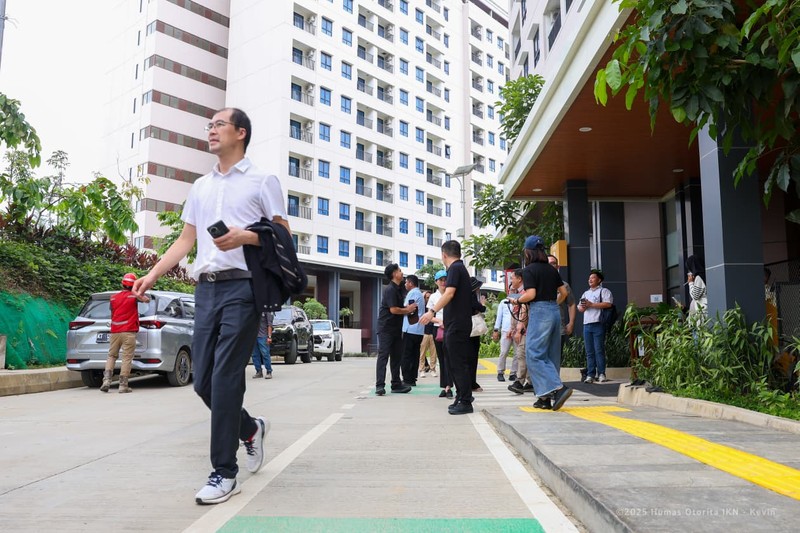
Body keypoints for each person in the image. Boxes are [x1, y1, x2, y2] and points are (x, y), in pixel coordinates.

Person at [133, 107, 285, 505]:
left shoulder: (262, 180)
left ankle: (224, 472)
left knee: (226, 377)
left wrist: (246, 237)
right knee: (202, 381)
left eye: (219, 124)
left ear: (241, 132)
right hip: (207, 290)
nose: (211, 130)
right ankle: (249, 428)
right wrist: (152, 275)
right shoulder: (200, 186)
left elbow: (283, 235)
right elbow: (186, 241)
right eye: (210, 125)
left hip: (244, 288)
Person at [517, 236, 572, 411]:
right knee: (550, 355)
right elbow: (563, 292)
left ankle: (558, 388)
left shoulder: (529, 270)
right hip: (554, 311)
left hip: (540, 311)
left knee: (534, 353)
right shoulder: (551, 269)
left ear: (528, 252)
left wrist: (517, 300)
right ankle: (544, 398)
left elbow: (531, 294)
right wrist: (553, 304)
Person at [421, 241, 474, 415]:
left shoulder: (455, 269)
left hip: (458, 325)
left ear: (444, 255)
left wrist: (432, 311)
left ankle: (465, 400)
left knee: (458, 363)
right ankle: (461, 396)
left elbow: (449, 293)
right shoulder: (459, 268)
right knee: (453, 361)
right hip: (456, 324)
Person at [101, 273, 150, 394]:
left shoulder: (113, 298)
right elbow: (146, 300)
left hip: (115, 331)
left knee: (111, 356)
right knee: (126, 357)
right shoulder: (134, 297)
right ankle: (123, 385)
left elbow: (112, 312)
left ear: (122, 284)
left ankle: (106, 381)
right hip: (128, 332)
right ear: (133, 285)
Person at [375, 263, 417, 396]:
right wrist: (408, 310)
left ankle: (396, 384)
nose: (402, 272)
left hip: (396, 328)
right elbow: (393, 310)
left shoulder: (399, 289)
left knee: (396, 357)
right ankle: (379, 386)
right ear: (394, 274)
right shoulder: (390, 290)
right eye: (399, 270)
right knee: (384, 356)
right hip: (386, 328)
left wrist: (409, 311)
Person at [577, 269, 614, 384]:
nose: (590, 279)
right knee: (589, 351)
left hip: (599, 323)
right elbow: (580, 308)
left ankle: (601, 373)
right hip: (586, 324)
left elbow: (608, 304)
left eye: (593, 277)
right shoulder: (585, 293)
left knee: (599, 349)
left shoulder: (604, 291)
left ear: (599, 280)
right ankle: (590, 375)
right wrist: (583, 306)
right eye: (589, 278)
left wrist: (591, 304)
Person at [506, 269, 532, 395]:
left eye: (512, 278)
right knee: (524, 355)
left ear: (519, 278)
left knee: (522, 354)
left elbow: (524, 312)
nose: (511, 281)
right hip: (525, 329)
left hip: (526, 330)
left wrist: (519, 329)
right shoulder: (521, 292)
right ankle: (529, 382)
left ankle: (519, 382)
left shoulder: (525, 293)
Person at [428, 270, 452, 398]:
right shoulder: (433, 297)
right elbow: (429, 316)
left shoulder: (451, 294)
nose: (443, 282)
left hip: (450, 329)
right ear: (436, 282)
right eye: (441, 280)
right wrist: (439, 321)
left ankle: (449, 387)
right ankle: (444, 386)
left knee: (449, 358)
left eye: (445, 279)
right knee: (441, 359)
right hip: (438, 329)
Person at [548, 255, 576, 365]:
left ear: (557, 266)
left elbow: (572, 303)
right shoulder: (538, 284)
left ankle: (555, 381)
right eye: (548, 263)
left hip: (559, 326)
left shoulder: (564, 285)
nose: (550, 265)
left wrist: (571, 323)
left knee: (557, 357)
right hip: (541, 327)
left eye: (553, 263)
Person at [401, 275, 425, 386]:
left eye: (406, 282)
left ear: (411, 283)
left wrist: (400, 310)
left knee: (407, 355)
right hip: (418, 330)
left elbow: (410, 310)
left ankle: (407, 379)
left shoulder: (413, 293)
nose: (405, 284)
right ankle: (412, 378)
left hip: (411, 329)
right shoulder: (419, 293)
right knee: (414, 355)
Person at [493, 288, 517, 382]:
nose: (513, 291)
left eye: (514, 290)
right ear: (508, 290)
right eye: (511, 290)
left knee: (517, 354)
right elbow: (499, 317)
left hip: (516, 331)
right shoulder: (503, 302)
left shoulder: (520, 301)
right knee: (504, 352)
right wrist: (496, 330)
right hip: (505, 330)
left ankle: (513, 373)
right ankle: (500, 372)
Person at [469, 277, 486, 392]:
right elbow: (479, 308)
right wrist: (483, 304)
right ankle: (472, 383)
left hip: (463, 328)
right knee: (473, 357)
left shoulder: (461, 295)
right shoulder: (472, 296)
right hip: (472, 329)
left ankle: (468, 382)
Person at [418, 291, 437, 377]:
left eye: (429, 297)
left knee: (433, 353)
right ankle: (421, 369)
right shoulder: (422, 309)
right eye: (426, 297)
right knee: (422, 353)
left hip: (433, 332)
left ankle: (433, 369)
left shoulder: (434, 309)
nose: (428, 299)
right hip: (424, 332)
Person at [251, 312, 273, 379]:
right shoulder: (252, 310)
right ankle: (258, 371)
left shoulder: (267, 310)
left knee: (265, 354)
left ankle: (269, 371)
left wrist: (269, 337)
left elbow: (270, 324)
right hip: (253, 336)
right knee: (254, 355)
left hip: (263, 336)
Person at [686, 255, 707, 322]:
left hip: (702, 312)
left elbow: (695, 296)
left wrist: (691, 283)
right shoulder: (705, 274)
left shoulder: (699, 277)